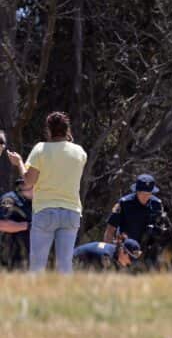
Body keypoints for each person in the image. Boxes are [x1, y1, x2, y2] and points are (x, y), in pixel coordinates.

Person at [11, 112, 87, 273]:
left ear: (49, 130)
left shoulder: (40, 149)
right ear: (67, 129)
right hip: (71, 211)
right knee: (65, 265)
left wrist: (19, 163)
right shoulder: (80, 152)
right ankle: (65, 298)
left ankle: (32, 297)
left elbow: (29, 181)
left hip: (45, 211)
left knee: (37, 265)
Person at [105, 174, 170, 266]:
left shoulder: (157, 204)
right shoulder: (124, 203)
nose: (145, 197)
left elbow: (162, 228)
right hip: (125, 249)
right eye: (143, 193)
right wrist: (107, 253)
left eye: (148, 194)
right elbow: (110, 229)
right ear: (136, 191)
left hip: (147, 250)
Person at [0, 178, 32, 268]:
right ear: (22, 185)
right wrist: (28, 226)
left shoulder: (32, 201)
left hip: (25, 256)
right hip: (9, 256)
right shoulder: (9, 200)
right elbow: (2, 225)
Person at [72, 238, 142, 272]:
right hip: (71, 262)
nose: (130, 262)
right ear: (123, 251)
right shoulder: (106, 257)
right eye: (130, 259)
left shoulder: (114, 250)